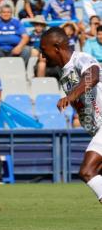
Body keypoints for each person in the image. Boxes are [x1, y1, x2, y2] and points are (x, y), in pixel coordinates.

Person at [41, 27, 102, 205]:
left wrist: (71, 96)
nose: (43, 57)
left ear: (57, 47)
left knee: (87, 171)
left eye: (45, 51)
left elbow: (94, 75)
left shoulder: (80, 58)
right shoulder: (63, 71)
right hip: (97, 129)